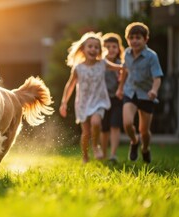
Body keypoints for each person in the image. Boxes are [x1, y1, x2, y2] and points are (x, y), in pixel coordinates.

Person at [59, 32, 123, 163]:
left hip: (98, 101)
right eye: (90, 46)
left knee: (96, 122)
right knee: (85, 134)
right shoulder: (78, 68)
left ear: (100, 50)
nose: (93, 49)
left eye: (96, 47)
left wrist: (125, 69)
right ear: (83, 49)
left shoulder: (102, 64)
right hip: (83, 103)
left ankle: (95, 146)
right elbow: (70, 85)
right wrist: (64, 102)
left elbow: (120, 68)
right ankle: (85, 156)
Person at [116, 22, 163, 164]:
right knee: (127, 123)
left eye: (138, 37)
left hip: (146, 94)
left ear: (145, 39)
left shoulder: (151, 56)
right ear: (127, 39)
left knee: (144, 131)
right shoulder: (127, 53)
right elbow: (124, 70)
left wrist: (154, 90)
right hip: (130, 92)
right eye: (131, 38)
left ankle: (145, 149)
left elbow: (157, 77)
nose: (134, 41)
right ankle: (134, 141)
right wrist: (120, 87)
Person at [100, 33, 125, 163]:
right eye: (107, 46)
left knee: (115, 126)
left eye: (114, 46)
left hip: (117, 99)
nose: (111, 49)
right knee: (104, 129)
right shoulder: (100, 64)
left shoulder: (121, 65)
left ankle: (113, 154)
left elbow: (126, 79)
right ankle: (103, 153)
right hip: (102, 100)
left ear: (118, 48)